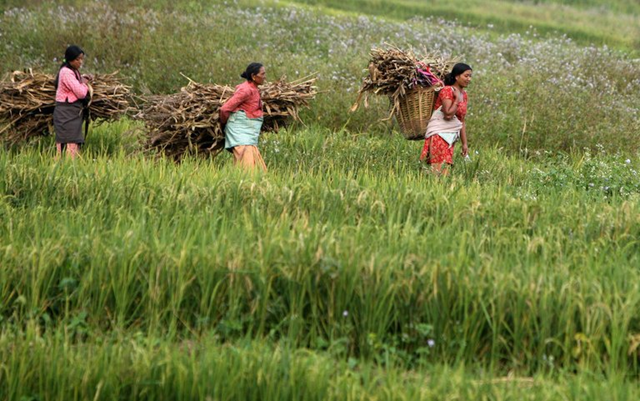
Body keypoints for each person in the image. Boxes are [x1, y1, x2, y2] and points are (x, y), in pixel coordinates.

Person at [420, 63, 473, 175]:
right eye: (466, 76)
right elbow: (448, 115)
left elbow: (461, 121)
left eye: (470, 76)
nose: (469, 79)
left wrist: (464, 144)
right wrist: (457, 100)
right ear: (457, 77)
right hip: (439, 135)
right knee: (440, 170)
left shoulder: (464, 95)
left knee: (443, 169)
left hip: (451, 137)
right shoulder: (447, 90)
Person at [219, 62, 267, 172]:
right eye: (262, 74)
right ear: (254, 76)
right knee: (248, 169)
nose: (265, 77)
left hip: (248, 135)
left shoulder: (254, 89)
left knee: (258, 168)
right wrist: (223, 124)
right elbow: (225, 109)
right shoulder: (245, 90)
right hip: (240, 133)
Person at [53, 45, 93, 159]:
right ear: (70, 59)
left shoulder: (74, 71)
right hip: (66, 113)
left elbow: (76, 85)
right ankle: (63, 169)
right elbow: (81, 93)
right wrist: (84, 84)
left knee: (73, 142)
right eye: (77, 59)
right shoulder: (66, 72)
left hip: (72, 113)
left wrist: (83, 79)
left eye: (81, 59)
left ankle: (69, 169)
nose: (80, 62)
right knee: (66, 145)